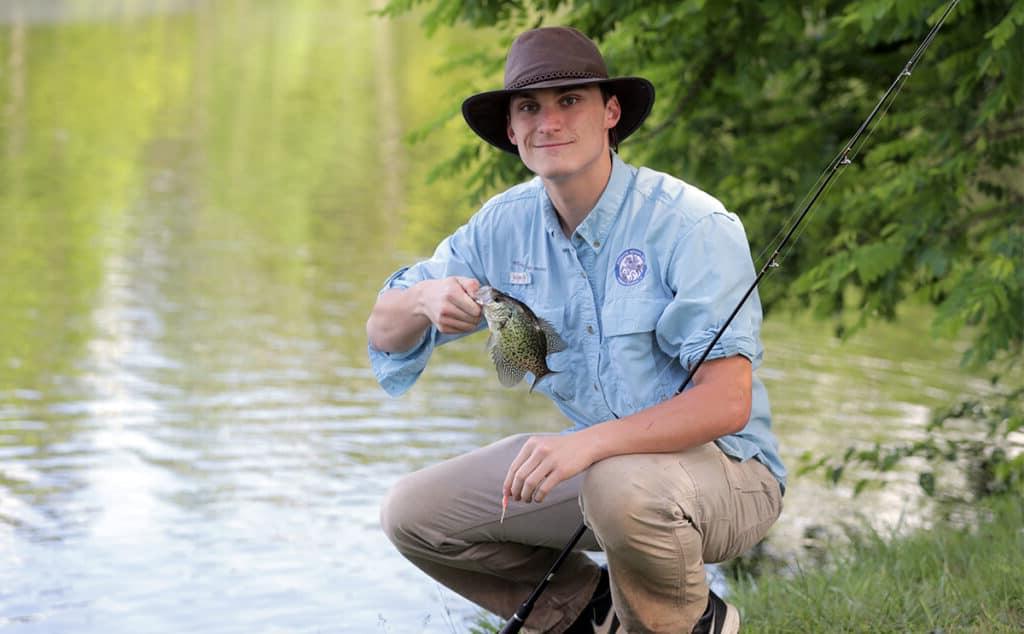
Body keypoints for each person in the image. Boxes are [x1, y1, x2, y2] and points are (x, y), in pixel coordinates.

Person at [366, 26, 785, 634]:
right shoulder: (501, 227)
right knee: (412, 513)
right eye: (529, 107)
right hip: (604, 472)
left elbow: (728, 401)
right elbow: (383, 331)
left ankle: (695, 624)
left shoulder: (692, 225)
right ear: (512, 131)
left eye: (571, 101)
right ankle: (591, 616)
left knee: (619, 484)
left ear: (610, 112)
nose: (549, 122)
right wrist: (424, 299)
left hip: (728, 474)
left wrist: (588, 444)